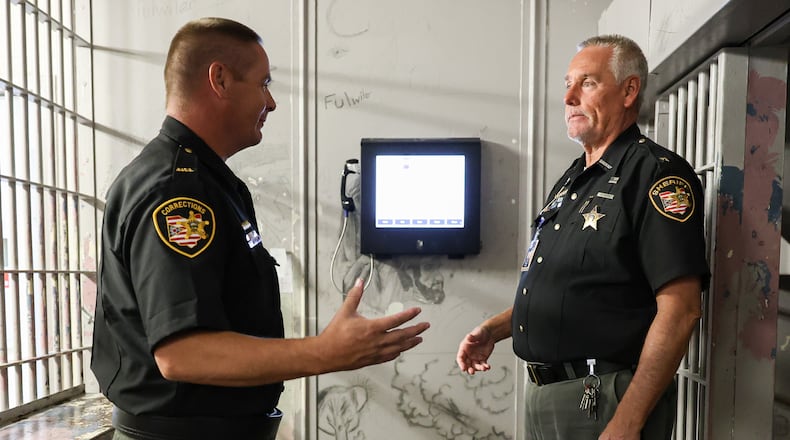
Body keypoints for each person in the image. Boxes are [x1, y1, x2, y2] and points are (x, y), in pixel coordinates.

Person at [91, 17, 430, 440]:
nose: (271, 102)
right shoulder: (179, 191)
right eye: (263, 83)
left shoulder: (208, 182)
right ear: (220, 80)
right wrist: (323, 352)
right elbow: (183, 354)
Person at [456, 34, 709, 440]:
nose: (569, 97)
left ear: (629, 91)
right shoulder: (574, 178)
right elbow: (577, 289)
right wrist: (497, 328)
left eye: (587, 83)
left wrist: (628, 420)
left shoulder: (655, 174)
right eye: (567, 84)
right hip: (545, 394)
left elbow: (680, 310)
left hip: (603, 398)